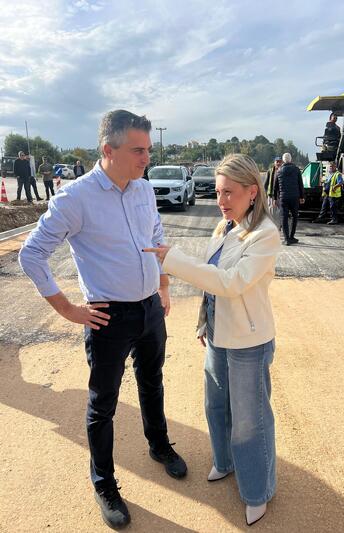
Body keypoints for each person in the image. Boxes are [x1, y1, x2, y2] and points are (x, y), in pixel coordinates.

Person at [19, 109, 187, 530]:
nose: (146, 158)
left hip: (150, 309)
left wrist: (163, 285)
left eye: (148, 150)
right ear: (108, 150)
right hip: (108, 317)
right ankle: (105, 483)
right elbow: (31, 254)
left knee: (153, 381)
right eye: (138, 150)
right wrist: (68, 309)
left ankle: (159, 444)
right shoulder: (76, 198)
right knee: (103, 405)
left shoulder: (142, 189)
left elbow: (155, 237)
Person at [144, 154, 281, 526]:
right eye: (219, 192)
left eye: (229, 192)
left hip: (249, 341)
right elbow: (211, 287)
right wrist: (204, 323)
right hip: (219, 333)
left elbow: (230, 283)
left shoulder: (265, 233)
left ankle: (258, 491)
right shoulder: (224, 226)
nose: (221, 200)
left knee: (250, 420)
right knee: (216, 405)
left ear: (252, 192)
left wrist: (173, 260)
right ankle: (225, 461)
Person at [273, 152, 304, 245]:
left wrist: (275, 198)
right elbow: (300, 184)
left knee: (284, 217)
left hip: (283, 197)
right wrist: (302, 196)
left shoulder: (279, 171)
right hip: (295, 197)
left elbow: (275, 186)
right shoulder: (296, 170)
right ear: (291, 160)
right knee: (295, 216)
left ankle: (286, 239)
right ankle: (292, 237)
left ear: (283, 161)